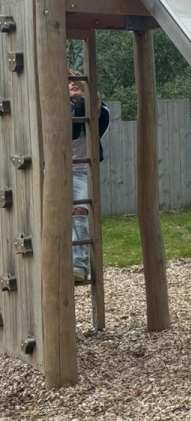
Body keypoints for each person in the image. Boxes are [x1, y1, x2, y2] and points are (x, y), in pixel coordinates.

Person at [70, 76, 110, 284]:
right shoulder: (58, 106)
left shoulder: (94, 109)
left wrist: (84, 96)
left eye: (77, 82)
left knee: (80, 212)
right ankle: (62, 262)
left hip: (82, 171)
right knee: (58, 218)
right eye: (69, 83)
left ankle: (78, 266)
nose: (73, 84)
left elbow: (95, 104)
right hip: (58, 170)